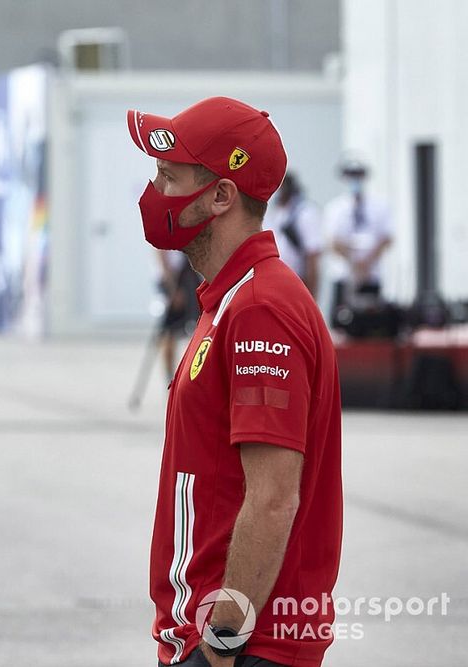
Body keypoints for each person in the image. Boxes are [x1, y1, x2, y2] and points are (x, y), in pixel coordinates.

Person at [126, 97, 342, 667]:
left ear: (220, 196)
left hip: (241, 646)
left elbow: (273, 498)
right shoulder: (228, 300)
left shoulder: (259, 309)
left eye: (169, 178)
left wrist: (222, 642)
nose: (154, 194)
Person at [326, 157, 392, 303]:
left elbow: (386, 238)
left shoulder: (379, 206)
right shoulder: (336, 208)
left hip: (371, 275)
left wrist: (366, 263)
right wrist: (354, 263)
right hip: (343, 275)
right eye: (351, 175)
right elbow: (332, 242)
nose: (354, 180)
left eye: (358, 175)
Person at [265, 172, 322, 297]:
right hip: (273, 280)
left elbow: (313, 256)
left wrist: (312, 295)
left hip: (297, 280)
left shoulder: (305, 212)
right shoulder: (274, 212)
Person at [158, 250, 201, 378]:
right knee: (168, 333)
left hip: (190, 276)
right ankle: (170, 379)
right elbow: (161, 256)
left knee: (197, 329)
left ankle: (190, 376)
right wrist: (172, 289)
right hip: (173, 279)